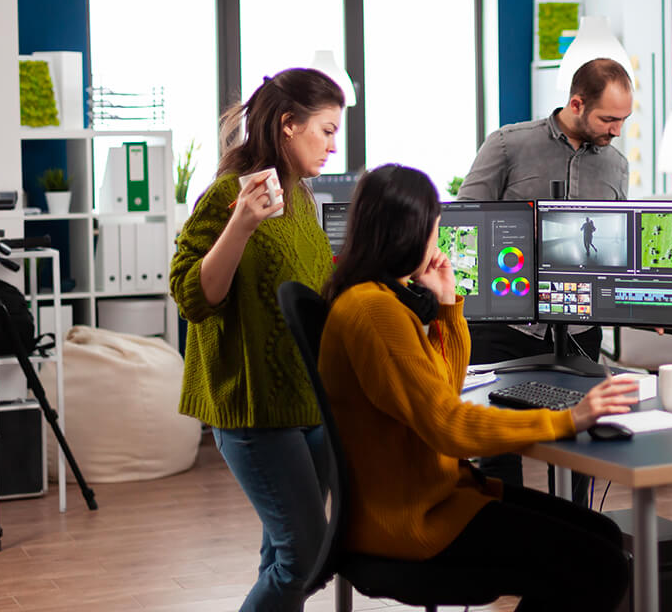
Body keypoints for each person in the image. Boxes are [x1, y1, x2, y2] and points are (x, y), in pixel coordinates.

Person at [318, 164, 636, 611]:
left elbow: (441, 393)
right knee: (600, 565)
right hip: (414, 523)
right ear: (409, 234)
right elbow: (449, 426)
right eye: (434, 229)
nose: (437, 241)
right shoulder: (376, 313)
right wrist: (569, 418)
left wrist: (447, 308)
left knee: (601, 536)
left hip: (431, 500)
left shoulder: (372, 298)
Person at [171, 68, 344, 611]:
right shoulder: (230, 195)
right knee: (305, 557)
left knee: (285, 560)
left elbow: (314, 291)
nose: (334, 145)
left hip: (306, 402)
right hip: (251, 406)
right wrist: (241, 225)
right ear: (289, 125)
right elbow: (192, 297)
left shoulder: (304, 201)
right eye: (327, 130)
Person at [457, 56, 632, 495]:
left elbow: (614, 243)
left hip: (580, 326)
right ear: (576, 103)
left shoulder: (616, 165)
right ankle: (509, 544)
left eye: (624, 120)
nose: (617, 131)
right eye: (609, 119)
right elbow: (462, 223)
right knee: (499, 444)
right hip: (504, 322)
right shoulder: (508, 145)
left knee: (584, 441)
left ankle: (578, 539)